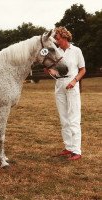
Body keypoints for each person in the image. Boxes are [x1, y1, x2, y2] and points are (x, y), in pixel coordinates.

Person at [47, 26, 86, 161]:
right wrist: (52, 72)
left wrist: (74, 81)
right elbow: (58, 72)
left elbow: (82, 70)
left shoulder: (76, 51)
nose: (56, 41)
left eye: (57, 38)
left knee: (73, 118)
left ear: (64, 37)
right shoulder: (56, 52)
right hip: (59, 85)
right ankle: (68, 147)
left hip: (72, 85)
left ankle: (76, 150)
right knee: (64, 119)